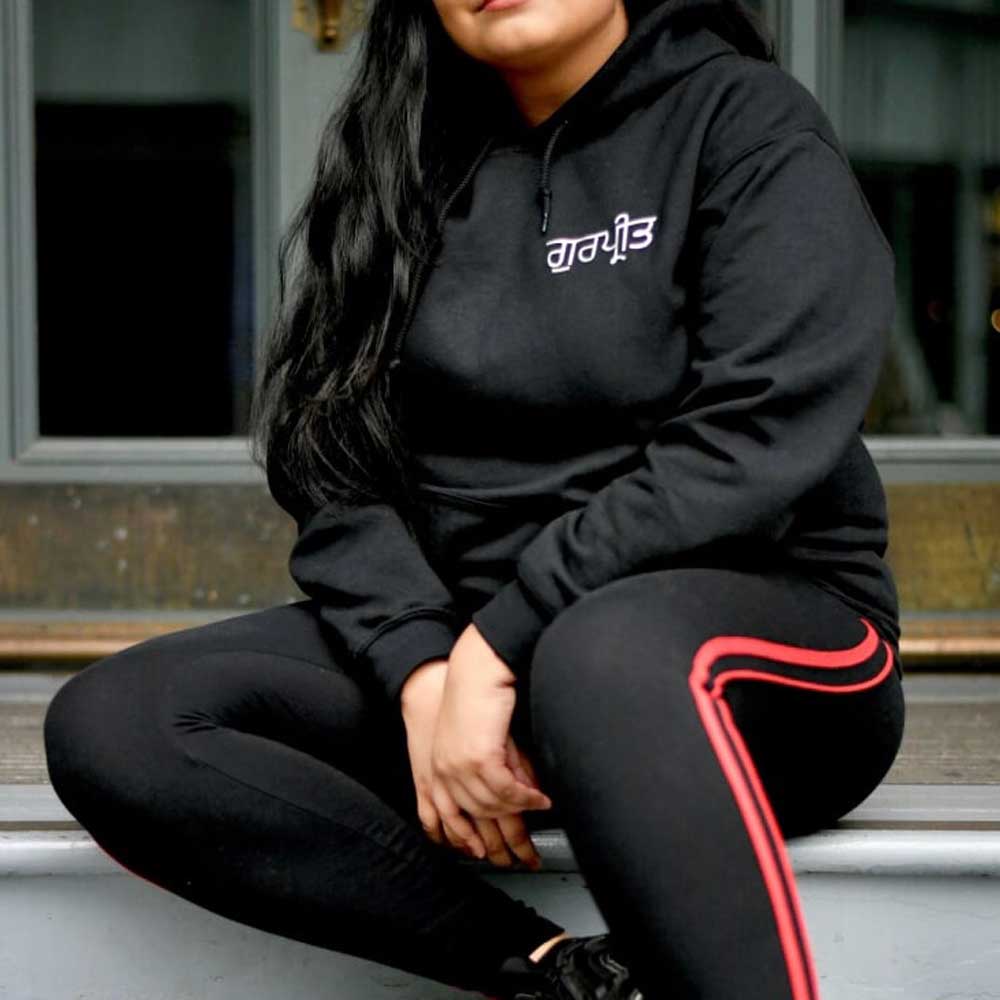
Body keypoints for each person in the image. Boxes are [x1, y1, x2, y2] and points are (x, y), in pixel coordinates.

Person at [43, 1, 908, 998]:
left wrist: (500, 644)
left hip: (756, 656)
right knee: (126, 718)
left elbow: (751, 435)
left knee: (598, 652)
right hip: (477, 676)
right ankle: (552, 972)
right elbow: (329, 453)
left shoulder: (744, 122)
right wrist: (419, 670)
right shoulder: (407, 153)